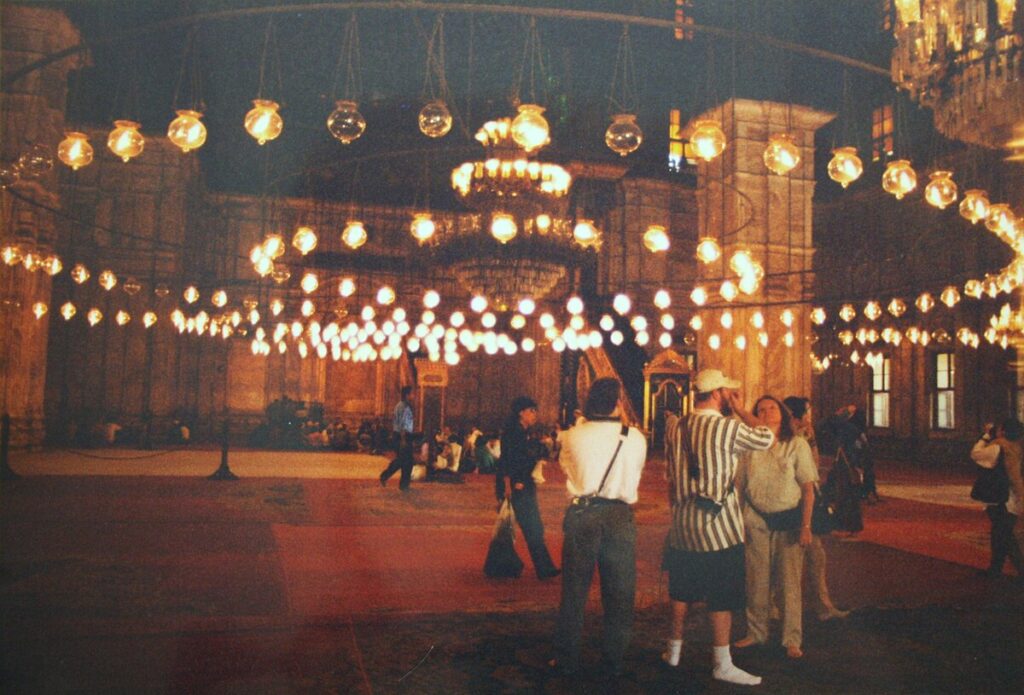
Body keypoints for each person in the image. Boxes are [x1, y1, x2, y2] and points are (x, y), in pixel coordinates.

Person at [662, 368, 774, 685]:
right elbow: (767, 437)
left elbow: (671, 476)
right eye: (727, 392)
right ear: (717, 394)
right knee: (721, 595)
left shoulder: (675, 427)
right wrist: (740, 409)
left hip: (683, 524)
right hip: (719, 527)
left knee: (681, 589)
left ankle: (673, 650)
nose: (730, 396)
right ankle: (722, 663)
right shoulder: (727, 428)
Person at [551, 377, 647, 677]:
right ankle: (613, 661)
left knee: (574, 592)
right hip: (619, 516)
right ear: (619, 403)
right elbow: (635, 473)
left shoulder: (571, 436)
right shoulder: (636, 438)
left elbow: (568, 468)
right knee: (619, 593)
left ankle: (566, 658)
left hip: (583, 514)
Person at [733, 396, 817, 659]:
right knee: (756, 580)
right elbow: (739, 487)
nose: (767, 413)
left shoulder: (796, 445)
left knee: (789, 582)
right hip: (756, 520)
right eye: (761, 410)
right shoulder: (750, 448)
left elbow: (808, 489)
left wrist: (806, 525)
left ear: (782, 413)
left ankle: (791, 639)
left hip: (788, 520)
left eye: (772, 408)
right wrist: (738, 521)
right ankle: (756, 632)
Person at [782, 396, 849, 621]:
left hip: (806, 499)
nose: (808, 416)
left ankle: (822, 606)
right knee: (788, 560)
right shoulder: (786, 435)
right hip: (788, 502)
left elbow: (814, 465)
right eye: (806, 412)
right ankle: (779, 608)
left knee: (815, 556)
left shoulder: (806, 433)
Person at [495, 396, 560, 580]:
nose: (535, 415)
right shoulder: (513, 433)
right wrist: (509, 484)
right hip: (518, 484)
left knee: (525, 526)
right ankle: (543, 568)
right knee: (532, 527)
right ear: (521, 412)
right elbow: (507, 460)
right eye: (531, 411)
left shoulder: (522, 431)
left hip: (523, 482)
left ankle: (507, 566)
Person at [970, 418, 1024, 578]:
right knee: (1001, 534)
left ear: (1004, 431)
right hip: (1013, 496)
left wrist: (986, 436)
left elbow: (976, 454)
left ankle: (1017, 570)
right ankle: (995, 569)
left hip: (1001, 497)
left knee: (1004, 536)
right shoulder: (1018, 446)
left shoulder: (998, 447)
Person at [379, 386, 416, 490]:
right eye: (412, 394)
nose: (414, 396)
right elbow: (404, 426)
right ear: (407, 395)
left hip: (398, 435)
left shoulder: (398, 406)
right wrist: (404, 440)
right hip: (403, 436)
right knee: (405, 461)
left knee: (404, 460)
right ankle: (399, 482)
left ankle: (400, 483)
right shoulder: (405, 408)